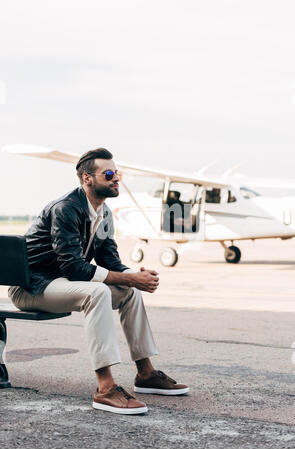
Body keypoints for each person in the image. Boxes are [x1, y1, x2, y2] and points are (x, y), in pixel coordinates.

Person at [8, 148, 189, 415]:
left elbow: (110, 261)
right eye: (108, 173)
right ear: (87, 178)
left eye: (117, 173)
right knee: (97, 293)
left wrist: (135, 277)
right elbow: (75, 269)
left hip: (60, 283)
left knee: (128, 291)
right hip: (31, 286)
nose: (116, 178)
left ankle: (146, 373)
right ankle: (105, 389)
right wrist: (130, 278)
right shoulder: (66, 209)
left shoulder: (103, 214)